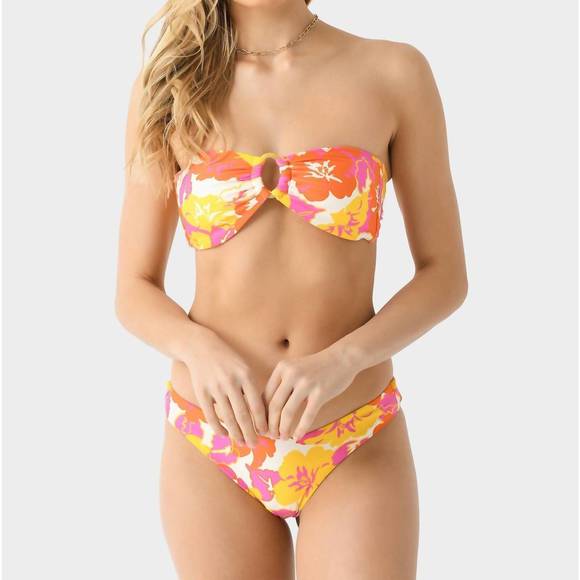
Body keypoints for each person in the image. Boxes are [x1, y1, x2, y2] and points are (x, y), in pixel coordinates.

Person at [115, 0, 468, 577]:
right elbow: (133, 287)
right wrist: (198, 349)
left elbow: (445, 274)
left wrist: (344, 359)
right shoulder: (170, 85)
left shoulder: (394, 72)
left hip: (352, 431)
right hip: (211, 436)